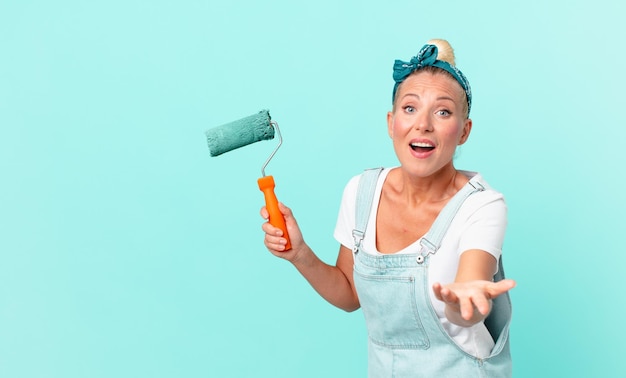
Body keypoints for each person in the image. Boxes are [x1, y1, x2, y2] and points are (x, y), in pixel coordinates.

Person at [261, 39, 516, 377]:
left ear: (464, 131)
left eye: (443, 111)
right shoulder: (361, 192)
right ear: (391, 123)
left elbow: (469, 297)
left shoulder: (481, 205)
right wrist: (300, 254)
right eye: (410, 108)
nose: (423, 124)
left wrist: (462, 305)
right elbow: (350, 294)